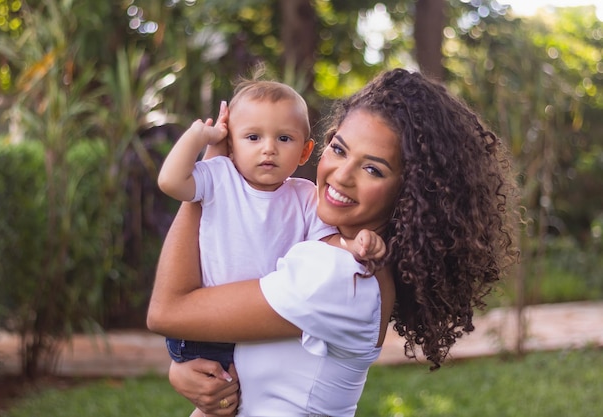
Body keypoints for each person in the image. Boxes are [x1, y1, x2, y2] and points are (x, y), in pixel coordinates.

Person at [147, 68, 519, 416]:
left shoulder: (338, 275)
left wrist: (214, 179)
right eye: (339, 150)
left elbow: (166, 312)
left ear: (411, 191)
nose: (341, 176)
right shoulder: (334, 253)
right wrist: (190, 371)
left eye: (373, 168)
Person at [156, 75, 386, 411]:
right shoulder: (220, 177)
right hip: (205, 327)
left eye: (284, 138)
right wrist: (201, 138)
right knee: (217, 403)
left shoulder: (306, 197)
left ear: (306, 150)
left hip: (240, 318)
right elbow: (171, 181)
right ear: (232, 143)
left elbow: (330, 241)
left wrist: (357, 244)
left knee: (223, 402)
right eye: (252, 137)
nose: (269, 148)